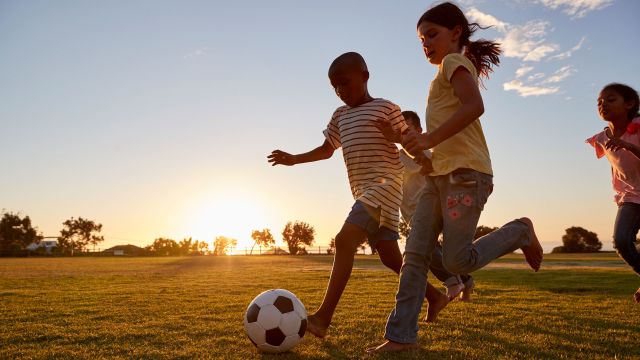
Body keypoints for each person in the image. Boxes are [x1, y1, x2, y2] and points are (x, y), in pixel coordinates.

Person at [368, 2, 543, 353]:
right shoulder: (439, 77)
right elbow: (430, 154)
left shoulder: (453, 63)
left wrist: (429, 138)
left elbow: (475, 106)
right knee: (415, 255)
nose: (425, 43)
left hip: (467, 174)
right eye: (421, 39)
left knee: (455, 261)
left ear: (456, 32)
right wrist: (400, 138)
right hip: (439, 177)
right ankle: (401, 337)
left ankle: (520, 230)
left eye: (431, 34)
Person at [268, 52, 450, 338]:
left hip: (385, 188)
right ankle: (435, 296)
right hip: (364, 192)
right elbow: (327, 149)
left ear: (365, 77)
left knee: (343, 240)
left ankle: (323, 319)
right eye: (334, 86)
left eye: (345, 82)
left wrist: (426, 162)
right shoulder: (340, 116)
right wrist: (294, 159)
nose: (340, 90)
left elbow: (407, 140)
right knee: (391, 258)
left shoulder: (386, 108)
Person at [397, 111, 476, 304]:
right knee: (440, 251)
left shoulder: (426, 152)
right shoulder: (396, 156)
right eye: (399, 130)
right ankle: (466, 280)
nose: (404, 133)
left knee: (423, 248)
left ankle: (452, 282)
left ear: (419, 130)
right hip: (409, 211)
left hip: (428, 207)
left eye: (408, 128)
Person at [586, 83, 640, 303]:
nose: (602, 104)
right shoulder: (602, 137)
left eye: (610, 99)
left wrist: (628, 146)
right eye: (599, 101)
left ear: (629, 104)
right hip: (630, 197)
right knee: (621, 240)